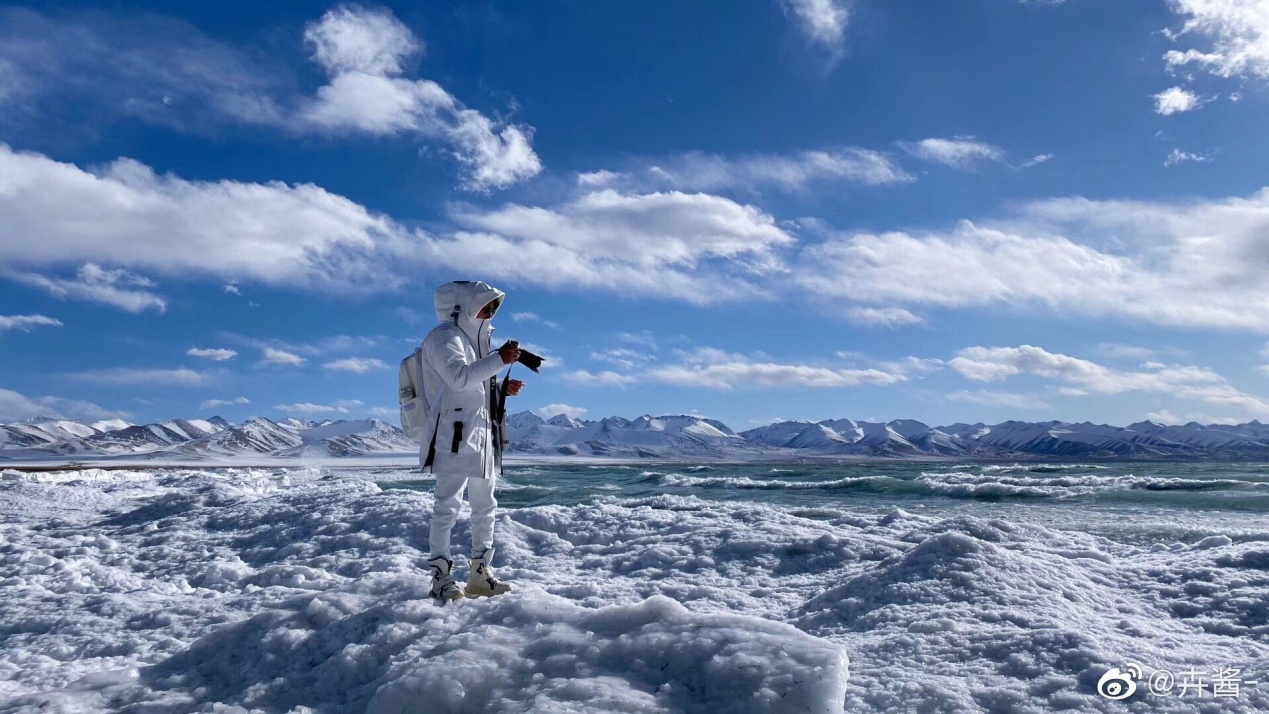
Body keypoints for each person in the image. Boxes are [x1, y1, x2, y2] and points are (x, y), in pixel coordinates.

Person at [418, 280, 525, 601]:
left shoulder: (474, 340)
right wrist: (499, 360)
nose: (490, 312)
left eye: (494, 306)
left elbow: (471, 386)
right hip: (453, 433)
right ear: (462, 305)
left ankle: (480, 574)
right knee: (447, 505)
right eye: (485, 305)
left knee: (484, 505)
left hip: (481, 432)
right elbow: (458, 378)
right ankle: (440, 577)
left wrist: (499, 389)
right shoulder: (443, 338)